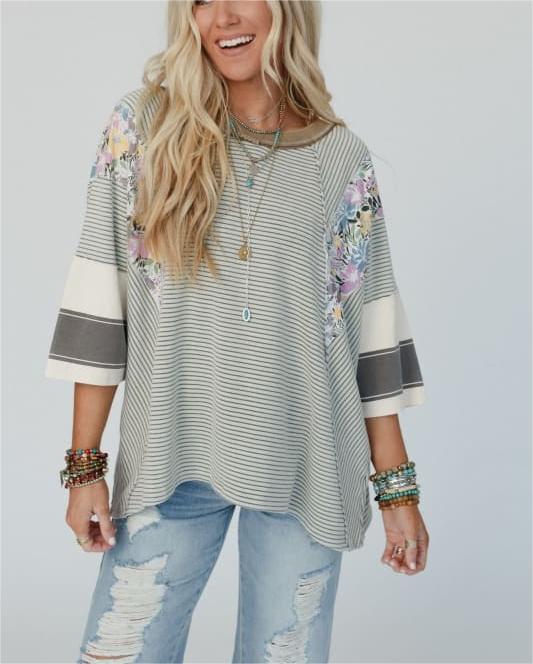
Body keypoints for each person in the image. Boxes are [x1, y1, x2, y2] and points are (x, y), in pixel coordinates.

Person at [45, 1, 430, 662]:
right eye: (201, 1)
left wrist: (396, 489)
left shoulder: (341, 159)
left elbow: (368, 336)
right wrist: (85, 467)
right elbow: (101, 300)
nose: (222, 16)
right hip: (170, 457)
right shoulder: (143, 128)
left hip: (308, 466)